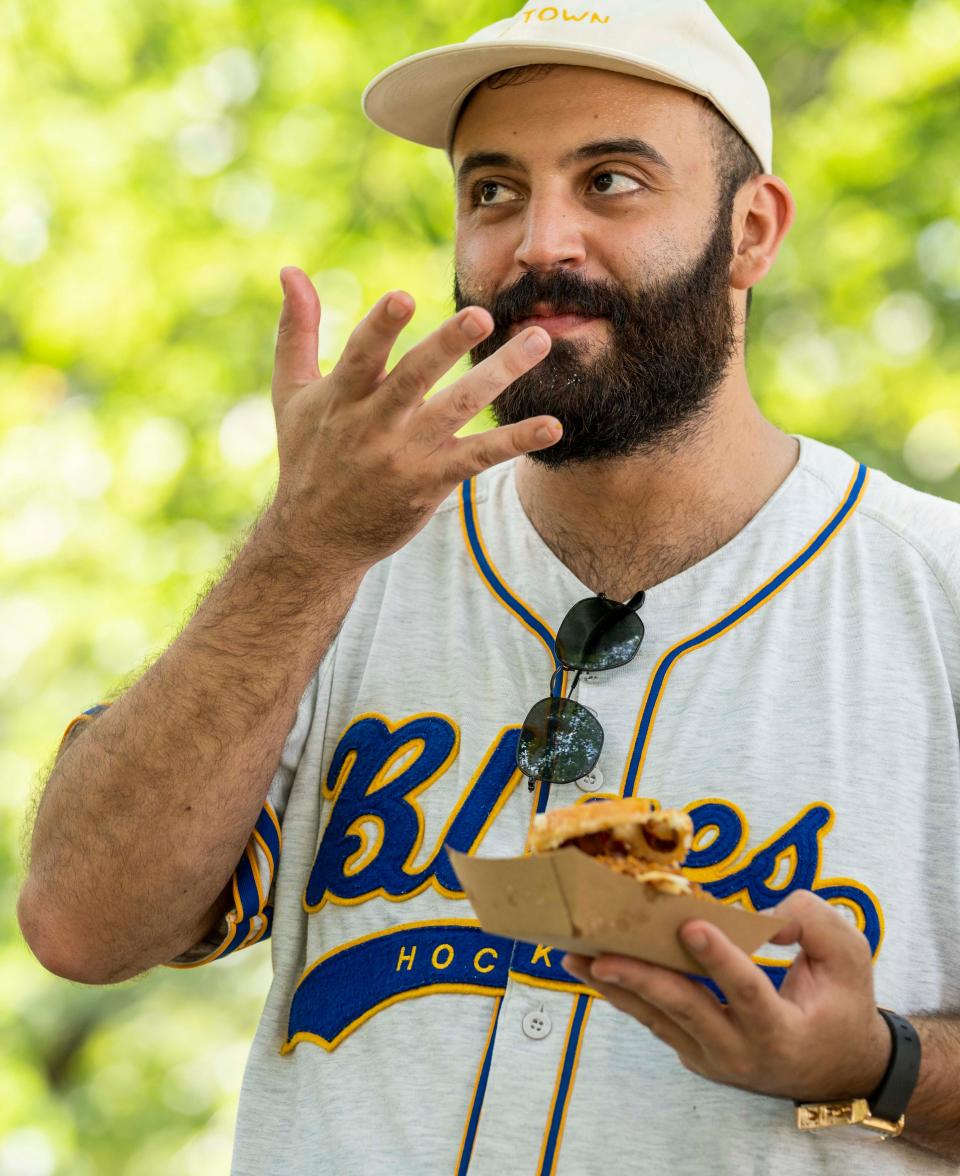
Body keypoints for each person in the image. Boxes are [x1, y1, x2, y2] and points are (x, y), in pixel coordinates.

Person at [17, 0, 960, 1172]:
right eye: (495, 191)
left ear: (752, 230)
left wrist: (874, 1068)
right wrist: (298, 549)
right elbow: (81, 925)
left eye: (611, 181)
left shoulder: (938, 595)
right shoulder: (338, 563)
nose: (538, 243)